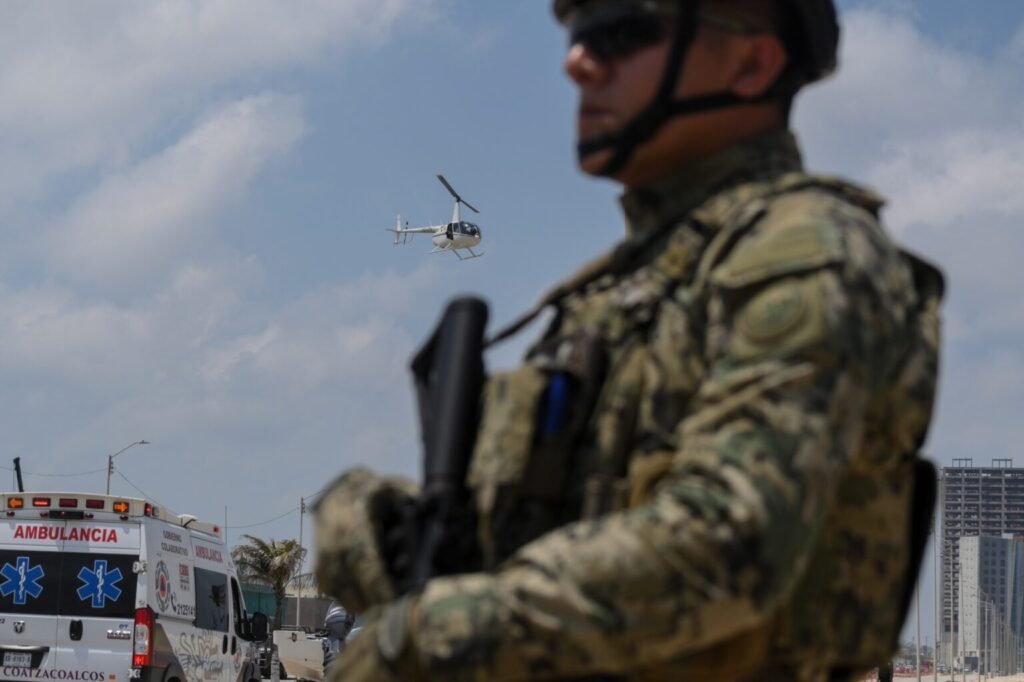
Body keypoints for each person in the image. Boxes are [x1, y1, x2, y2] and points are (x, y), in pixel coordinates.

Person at [314, 0, 945, 680]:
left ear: (752, 63)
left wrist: (427, 636)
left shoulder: (803, 256)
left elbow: (729, 543)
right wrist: (397, 538)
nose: (577, 63)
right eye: (577, 37)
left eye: (620, 34)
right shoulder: (634, 282)